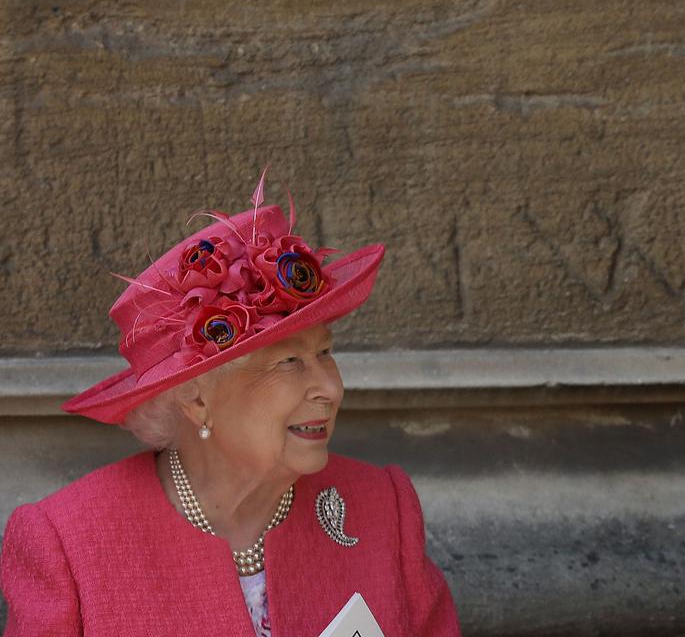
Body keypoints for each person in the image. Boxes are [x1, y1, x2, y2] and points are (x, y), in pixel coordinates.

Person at [1, 175, 461, 636]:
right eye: (288, 362)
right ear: (197, 397)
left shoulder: (382, 506)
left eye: (324, 353)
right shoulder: (68, 545)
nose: (330, 388)